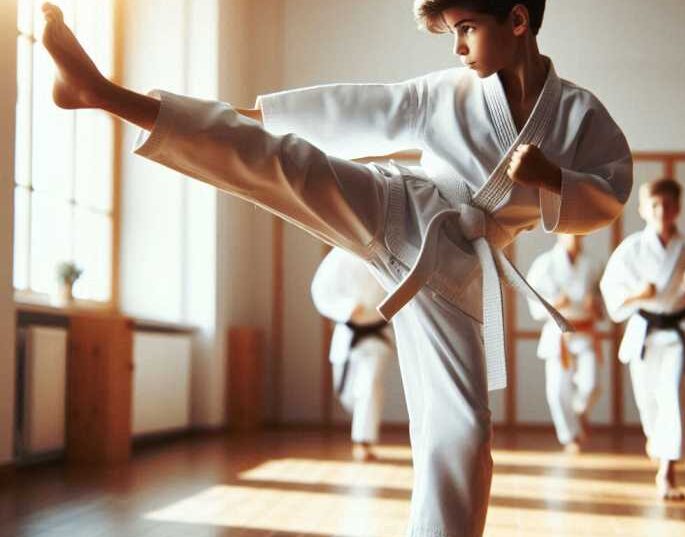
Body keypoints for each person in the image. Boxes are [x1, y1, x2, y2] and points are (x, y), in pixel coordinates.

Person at [41, 1, 632, 534]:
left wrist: (554, 179)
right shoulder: (443, 93)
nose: (457, 47)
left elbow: (609, 194)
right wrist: (252, 116)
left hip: (455, 273)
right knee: (286, 163)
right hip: (405, 209)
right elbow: (360, 108)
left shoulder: (581, 116)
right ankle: (102, 92)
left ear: (519, 20)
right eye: (453, 33)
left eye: (468, 30)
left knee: (464, 435)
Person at [601, 178, 685, 501]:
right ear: (642, 209)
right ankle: (657, 438)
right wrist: (639, 294)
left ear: (678, 208)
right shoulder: (631, 250)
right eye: (655, 205)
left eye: (668, 204)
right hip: (644, 333)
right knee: (649, 402)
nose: (662, 210)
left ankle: (667, 472)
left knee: (674, 396)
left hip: (677, 334)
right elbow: (611, 292)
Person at [311, 247, 395, 462]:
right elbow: (320, 290)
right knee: (348, 394)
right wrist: (345, 308)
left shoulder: (388, 254)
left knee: (369, 384)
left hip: (377, 332)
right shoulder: (340, 255)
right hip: (347, 332)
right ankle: (360, 426)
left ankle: (363, 441)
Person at [526, 234, 603, 453]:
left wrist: (594, 304)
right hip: (557, 333)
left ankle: (579, 411)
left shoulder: (593, 264)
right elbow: (533, 303)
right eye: (570, 231)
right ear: (559, 233)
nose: (575, 236)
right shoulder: (544, 264)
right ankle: (570, 436)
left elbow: (602, 303)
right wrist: (553, 304)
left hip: (585, 330)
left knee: (592, 385)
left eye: (579, 231)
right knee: (557, 390)